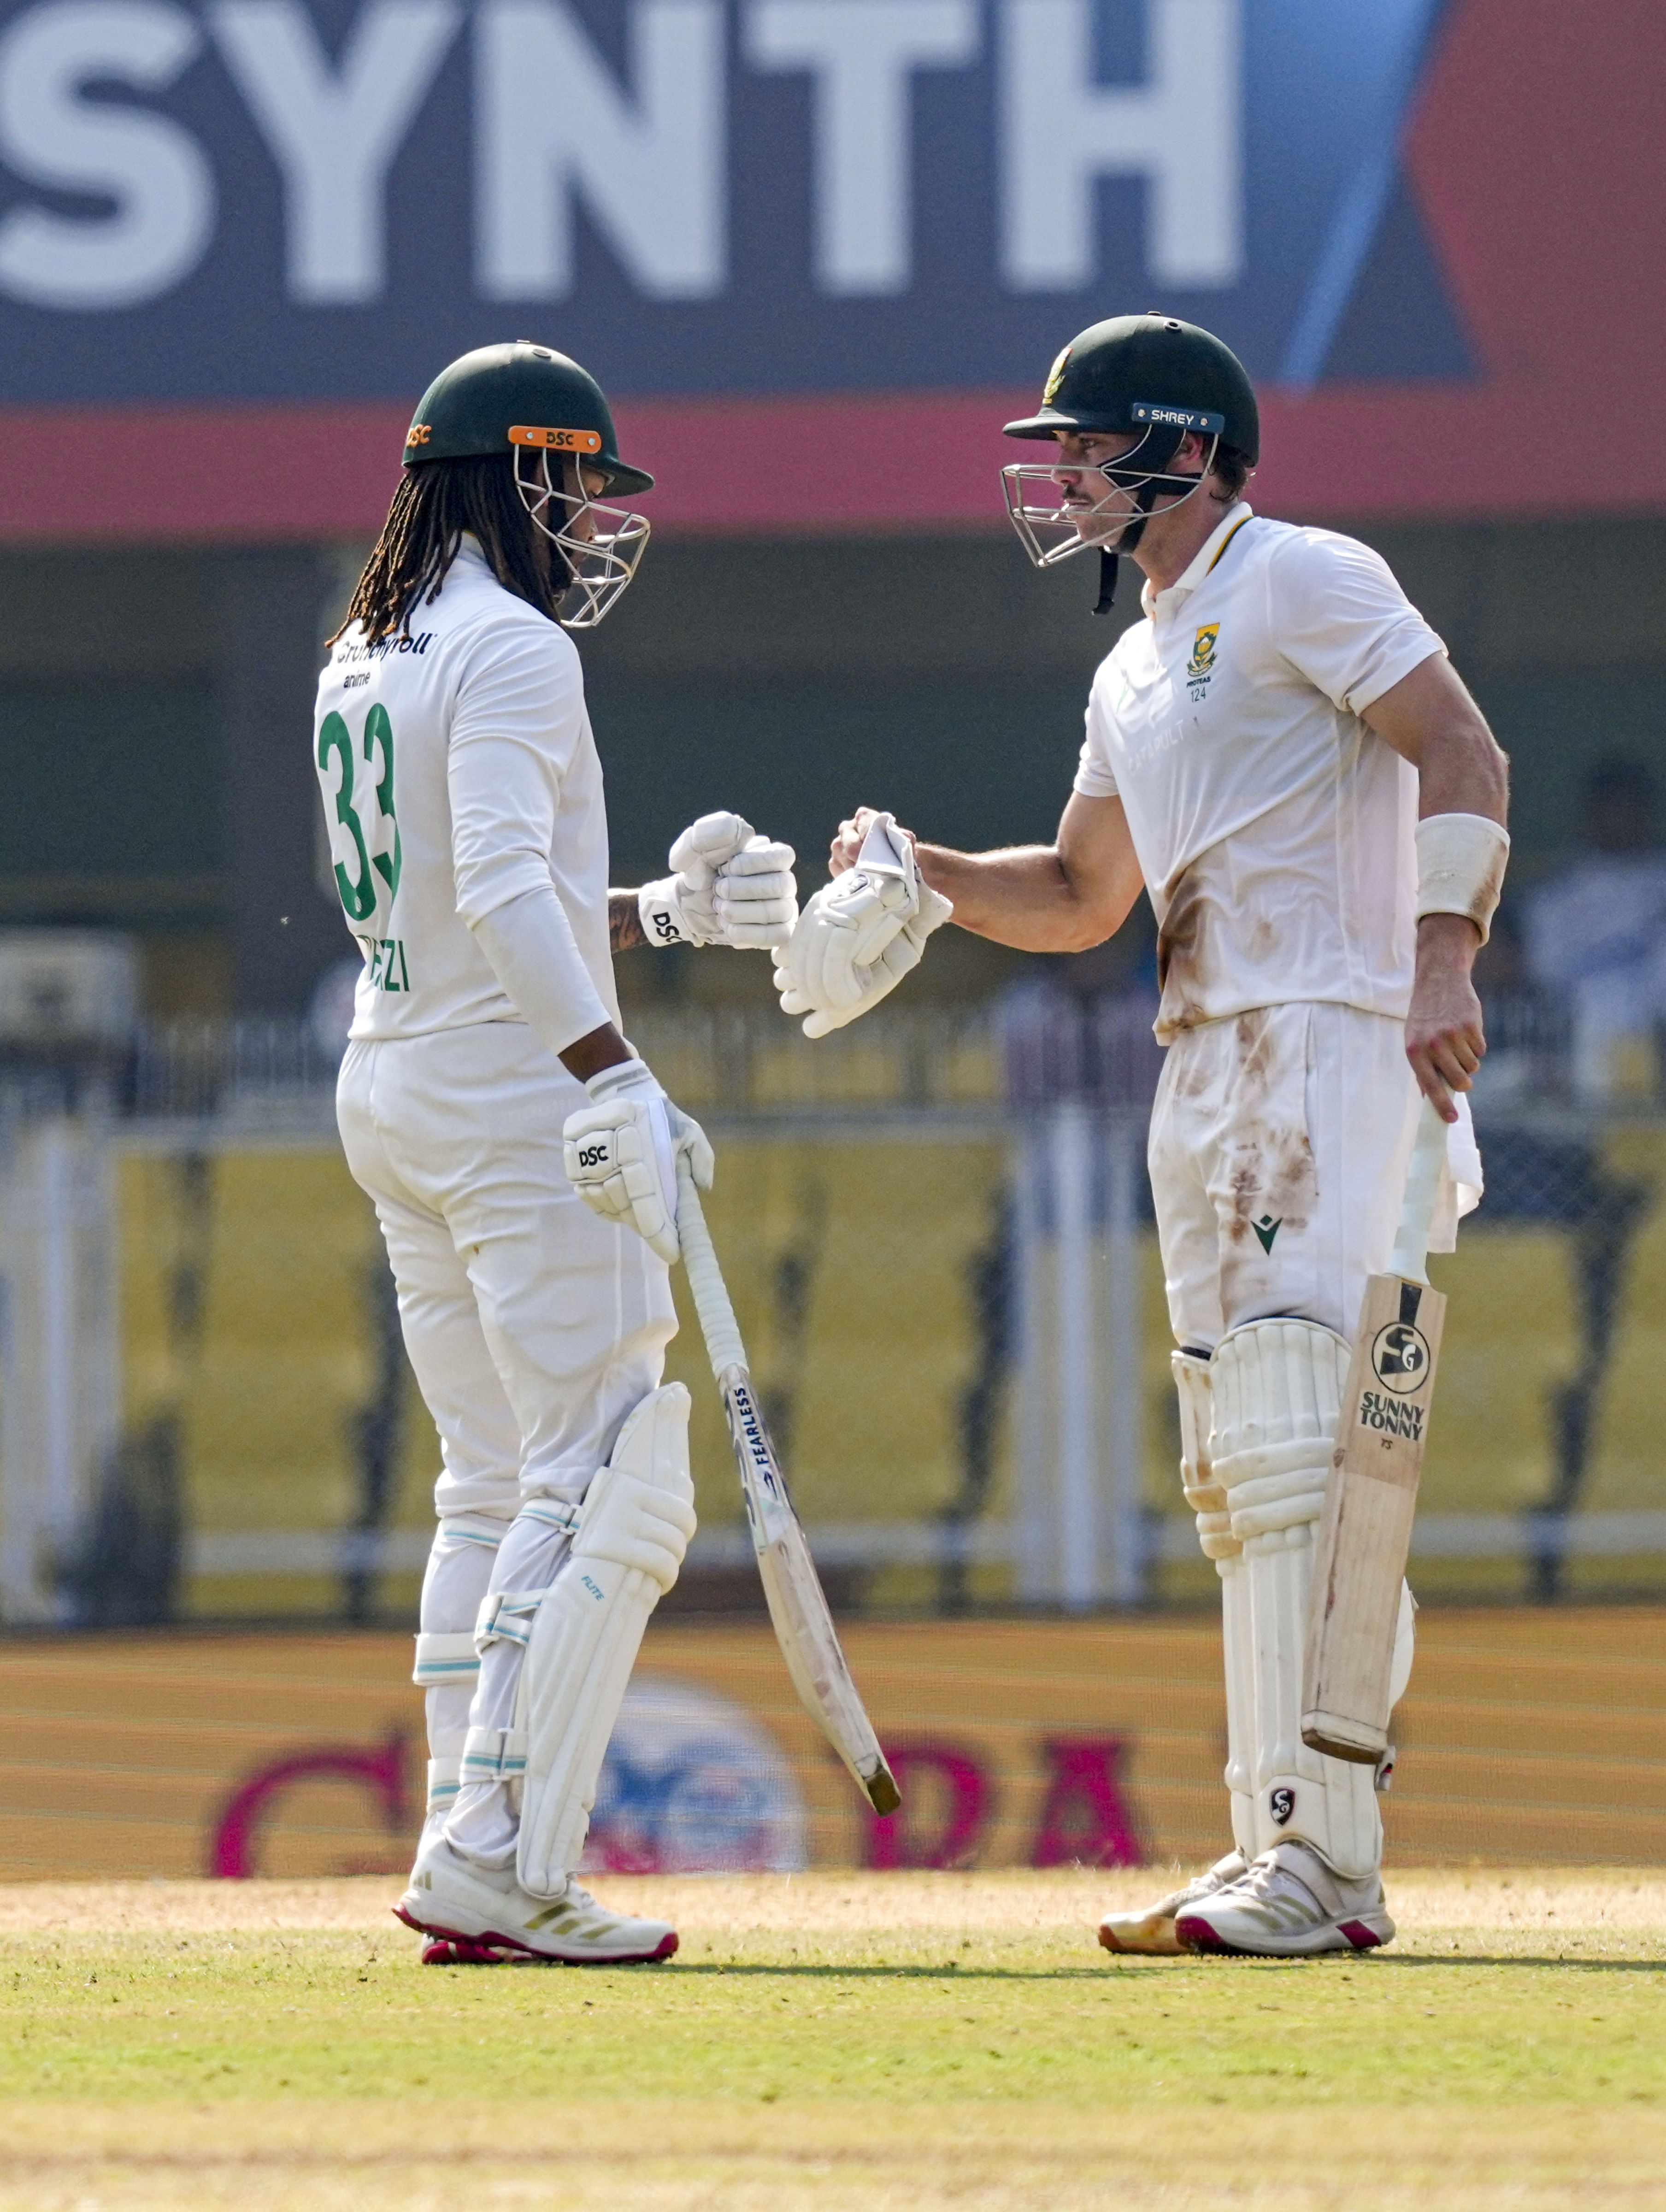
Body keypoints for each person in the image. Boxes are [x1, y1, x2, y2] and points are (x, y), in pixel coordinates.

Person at [777, 314, 1507, 1957]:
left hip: (1320, 1032)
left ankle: (1310, 1854)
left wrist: (1442, 950)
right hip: (1205, 1057)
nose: (1061, 478)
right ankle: (1294, 1839)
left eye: (1086, 447)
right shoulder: (1128, 663)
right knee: (1244, 1471)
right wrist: (923, 866)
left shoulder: (1302, 575)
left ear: (1180, 448)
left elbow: (1458, 748)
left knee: (1284, 1443)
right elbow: (1084, 893)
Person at [313, 341, 796, 1965]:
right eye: (578, 481)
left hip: (394, 1078)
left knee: (492, 1484)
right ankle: (503, 1858)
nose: (593, 515)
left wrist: (655, 915)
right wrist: (617, 1074)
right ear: (516, 472)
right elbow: (508, 899)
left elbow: (466, 903)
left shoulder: (364, 644)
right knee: (606, 1475)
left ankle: (467, 1830)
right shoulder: (514, 647)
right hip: (516, 1096)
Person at [1525, 755, 1666, 1099]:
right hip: (1577, 1047)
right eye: (1609, 806)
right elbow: (1544, 974)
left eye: (1627, 806)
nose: (1618, 817)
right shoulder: (1557, 893)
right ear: (1591, 812)